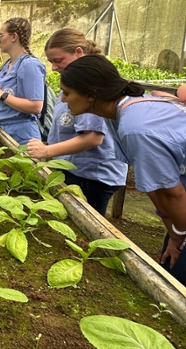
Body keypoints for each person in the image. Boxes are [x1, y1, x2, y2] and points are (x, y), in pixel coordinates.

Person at [60, 54, 186, 285]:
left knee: (178, 283)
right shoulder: (117, 115)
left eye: (67, 92)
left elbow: (173, 193)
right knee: (171, 268)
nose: (62, 99)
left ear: (90, 94)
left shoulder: (134, 126)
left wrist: (179, 235)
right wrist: (175, 235)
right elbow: (156, 187)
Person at [26, 29, 127, 216]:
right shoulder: (74, 82)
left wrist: (47, 151)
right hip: (76, 170)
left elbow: (93, 137)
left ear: (79, 53)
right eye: (51, 62)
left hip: (92, 175)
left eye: (58, 60)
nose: (54, 67)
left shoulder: (90, 84)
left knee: (88, 224)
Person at [0, 17, 45, 145]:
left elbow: (36, 107)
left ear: (14, 36)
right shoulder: (7, 64)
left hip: (22, 135)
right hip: (3, 130)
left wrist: (1, 94)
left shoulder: (30, 65)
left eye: (1, 35)